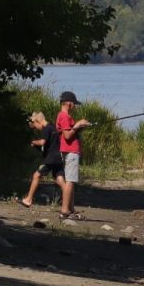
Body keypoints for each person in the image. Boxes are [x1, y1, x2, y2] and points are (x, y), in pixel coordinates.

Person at [54, 91, 91, 221]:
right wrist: (78, 125)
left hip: (69, 151)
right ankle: (65, 211)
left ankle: (70, 210)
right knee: (70, 181)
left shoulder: (64, 116)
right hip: (70, 151)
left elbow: (70, 132)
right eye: (74, 104)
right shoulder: (64, 116)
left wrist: (80, 127)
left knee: (71, 181)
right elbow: (67, 135)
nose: (75, 106)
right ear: (69, 104)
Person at [19, 111, 62, 209]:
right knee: (60, 179)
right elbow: (49, 145)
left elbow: (42, 142)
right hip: (58, 158)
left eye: (34, 126)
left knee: (36, 175)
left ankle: (28, 200)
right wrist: (36, 145)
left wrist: (33, 142)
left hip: (51, 159)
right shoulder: (52, 127)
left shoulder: (46, 129)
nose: (36, 129)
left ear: (38, 121)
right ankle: (68, 202)